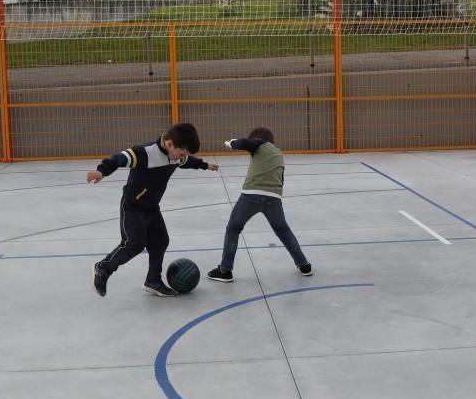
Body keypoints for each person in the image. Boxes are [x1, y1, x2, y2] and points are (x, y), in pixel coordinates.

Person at [87, 123, 219, 297]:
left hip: (152, 207)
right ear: (170, 144)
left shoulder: (175, 155)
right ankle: (103, 268)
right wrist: (101, 172)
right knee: (134, 244)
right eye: (181, 153)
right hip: (132, 207)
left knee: (160, 241)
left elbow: (186, 161)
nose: (181, 158)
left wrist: (204, 165)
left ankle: (153, 281)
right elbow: (119, 158)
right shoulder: (145, 152)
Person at [206, 127, 310, 283]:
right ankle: (304, 265)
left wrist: (231, 143)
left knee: (233, 229)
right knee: (283, 230)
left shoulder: (260, 144)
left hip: (251, 195)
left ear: (258, 140)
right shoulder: (278, 153)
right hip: (274, 198)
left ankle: (225, 270)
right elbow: (280, 179)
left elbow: (244, 143)